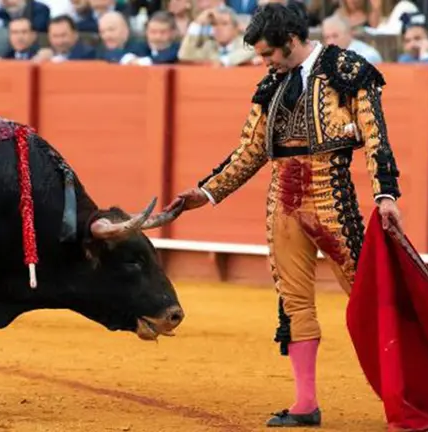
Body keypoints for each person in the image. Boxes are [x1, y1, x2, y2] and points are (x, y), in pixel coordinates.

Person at [164, 2, 403, 428]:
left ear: (291, 41)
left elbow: (375, 135)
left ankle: (403, 398)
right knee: (293, 304)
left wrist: (386, 194)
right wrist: (206, 191)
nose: (264, 62)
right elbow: (250, 151)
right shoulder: (270, 85)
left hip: (332, 198)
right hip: (283, 205)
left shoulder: (348, 70)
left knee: (369, 300)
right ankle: (304, 404)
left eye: (268, 53)